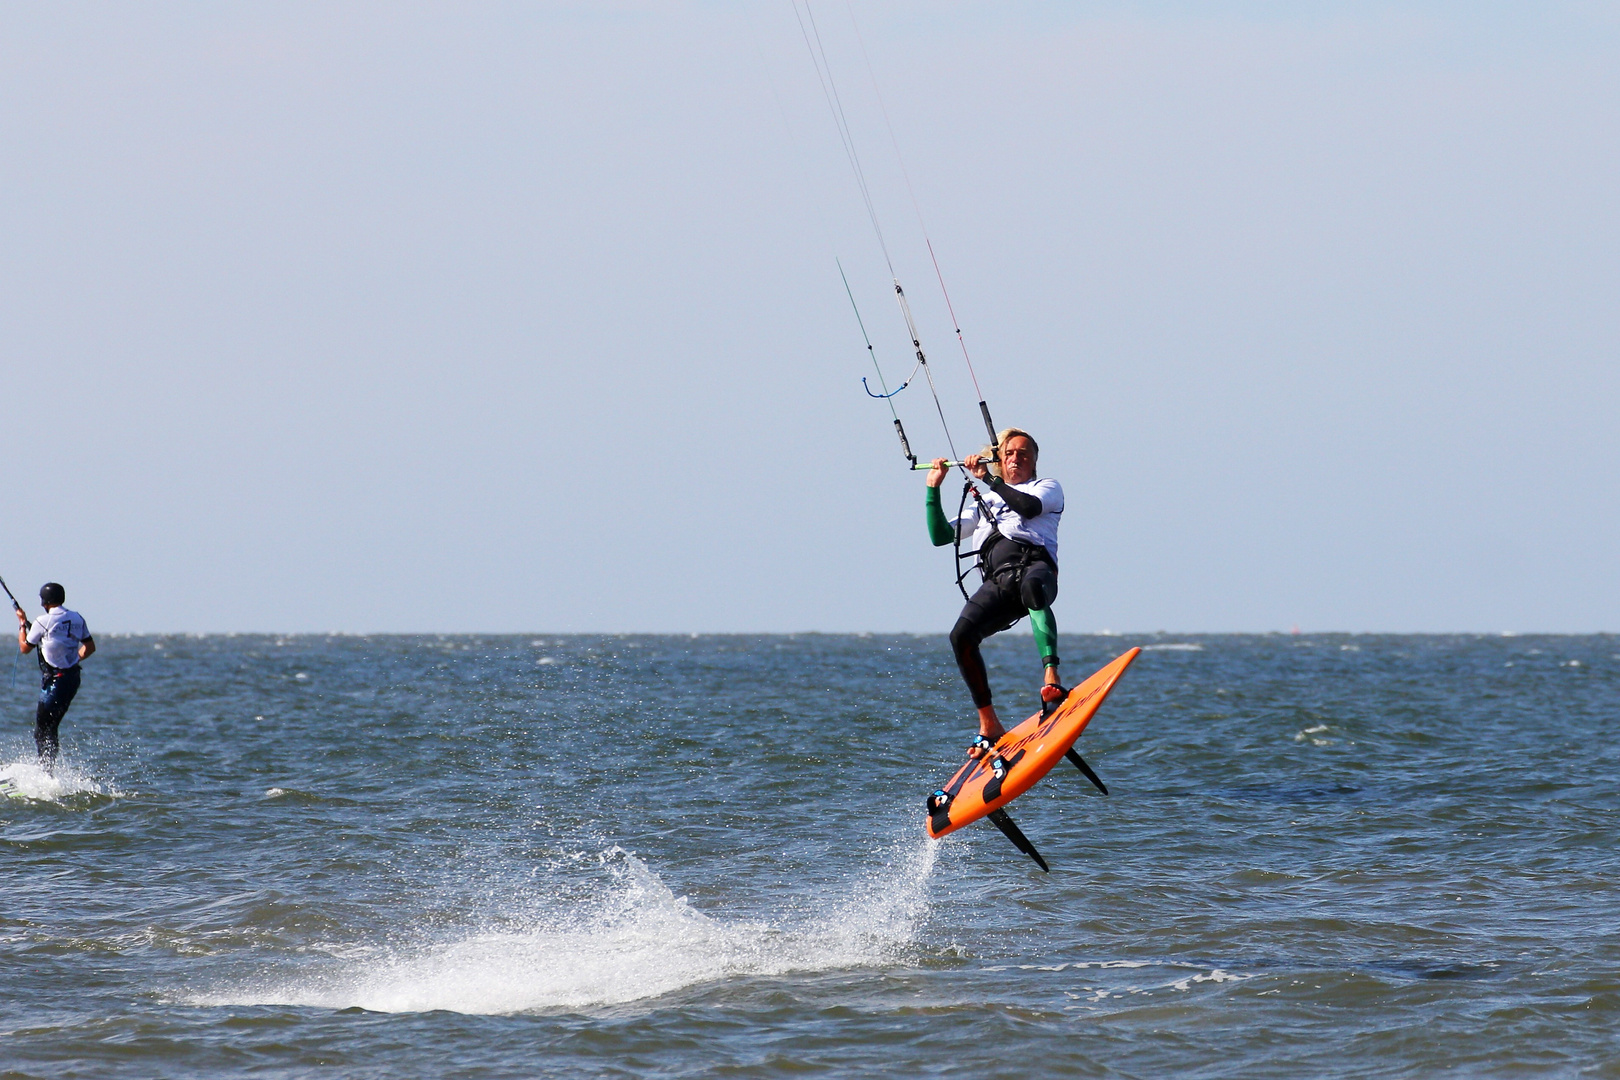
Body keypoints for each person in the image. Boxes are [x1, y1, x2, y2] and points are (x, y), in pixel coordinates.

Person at [925, 428, 1064, 758]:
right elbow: (941, 536)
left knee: (1031, 586)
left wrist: (990, 479)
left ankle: (1051, 675)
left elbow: (1028, 508)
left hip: (1036, 568)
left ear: (1034, 462)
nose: (1016, 458)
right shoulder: (981, 501)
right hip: (998, 581)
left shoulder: (1046, 488)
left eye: (1024, 453)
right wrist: (933, 489)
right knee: (960, 637)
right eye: (1010, 453)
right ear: (1000, 458)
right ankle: (989, 724)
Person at [15, 582, 95, 768]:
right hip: (72, 679)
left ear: (44, 601)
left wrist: (21, 625)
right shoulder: (77, 618)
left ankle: (46, 771)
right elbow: (90, 647)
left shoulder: (42, 621)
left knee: (42, 730)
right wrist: (72, 661)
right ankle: (47, 769)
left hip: (55, 683)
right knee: (51, 728)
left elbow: (25, 648)